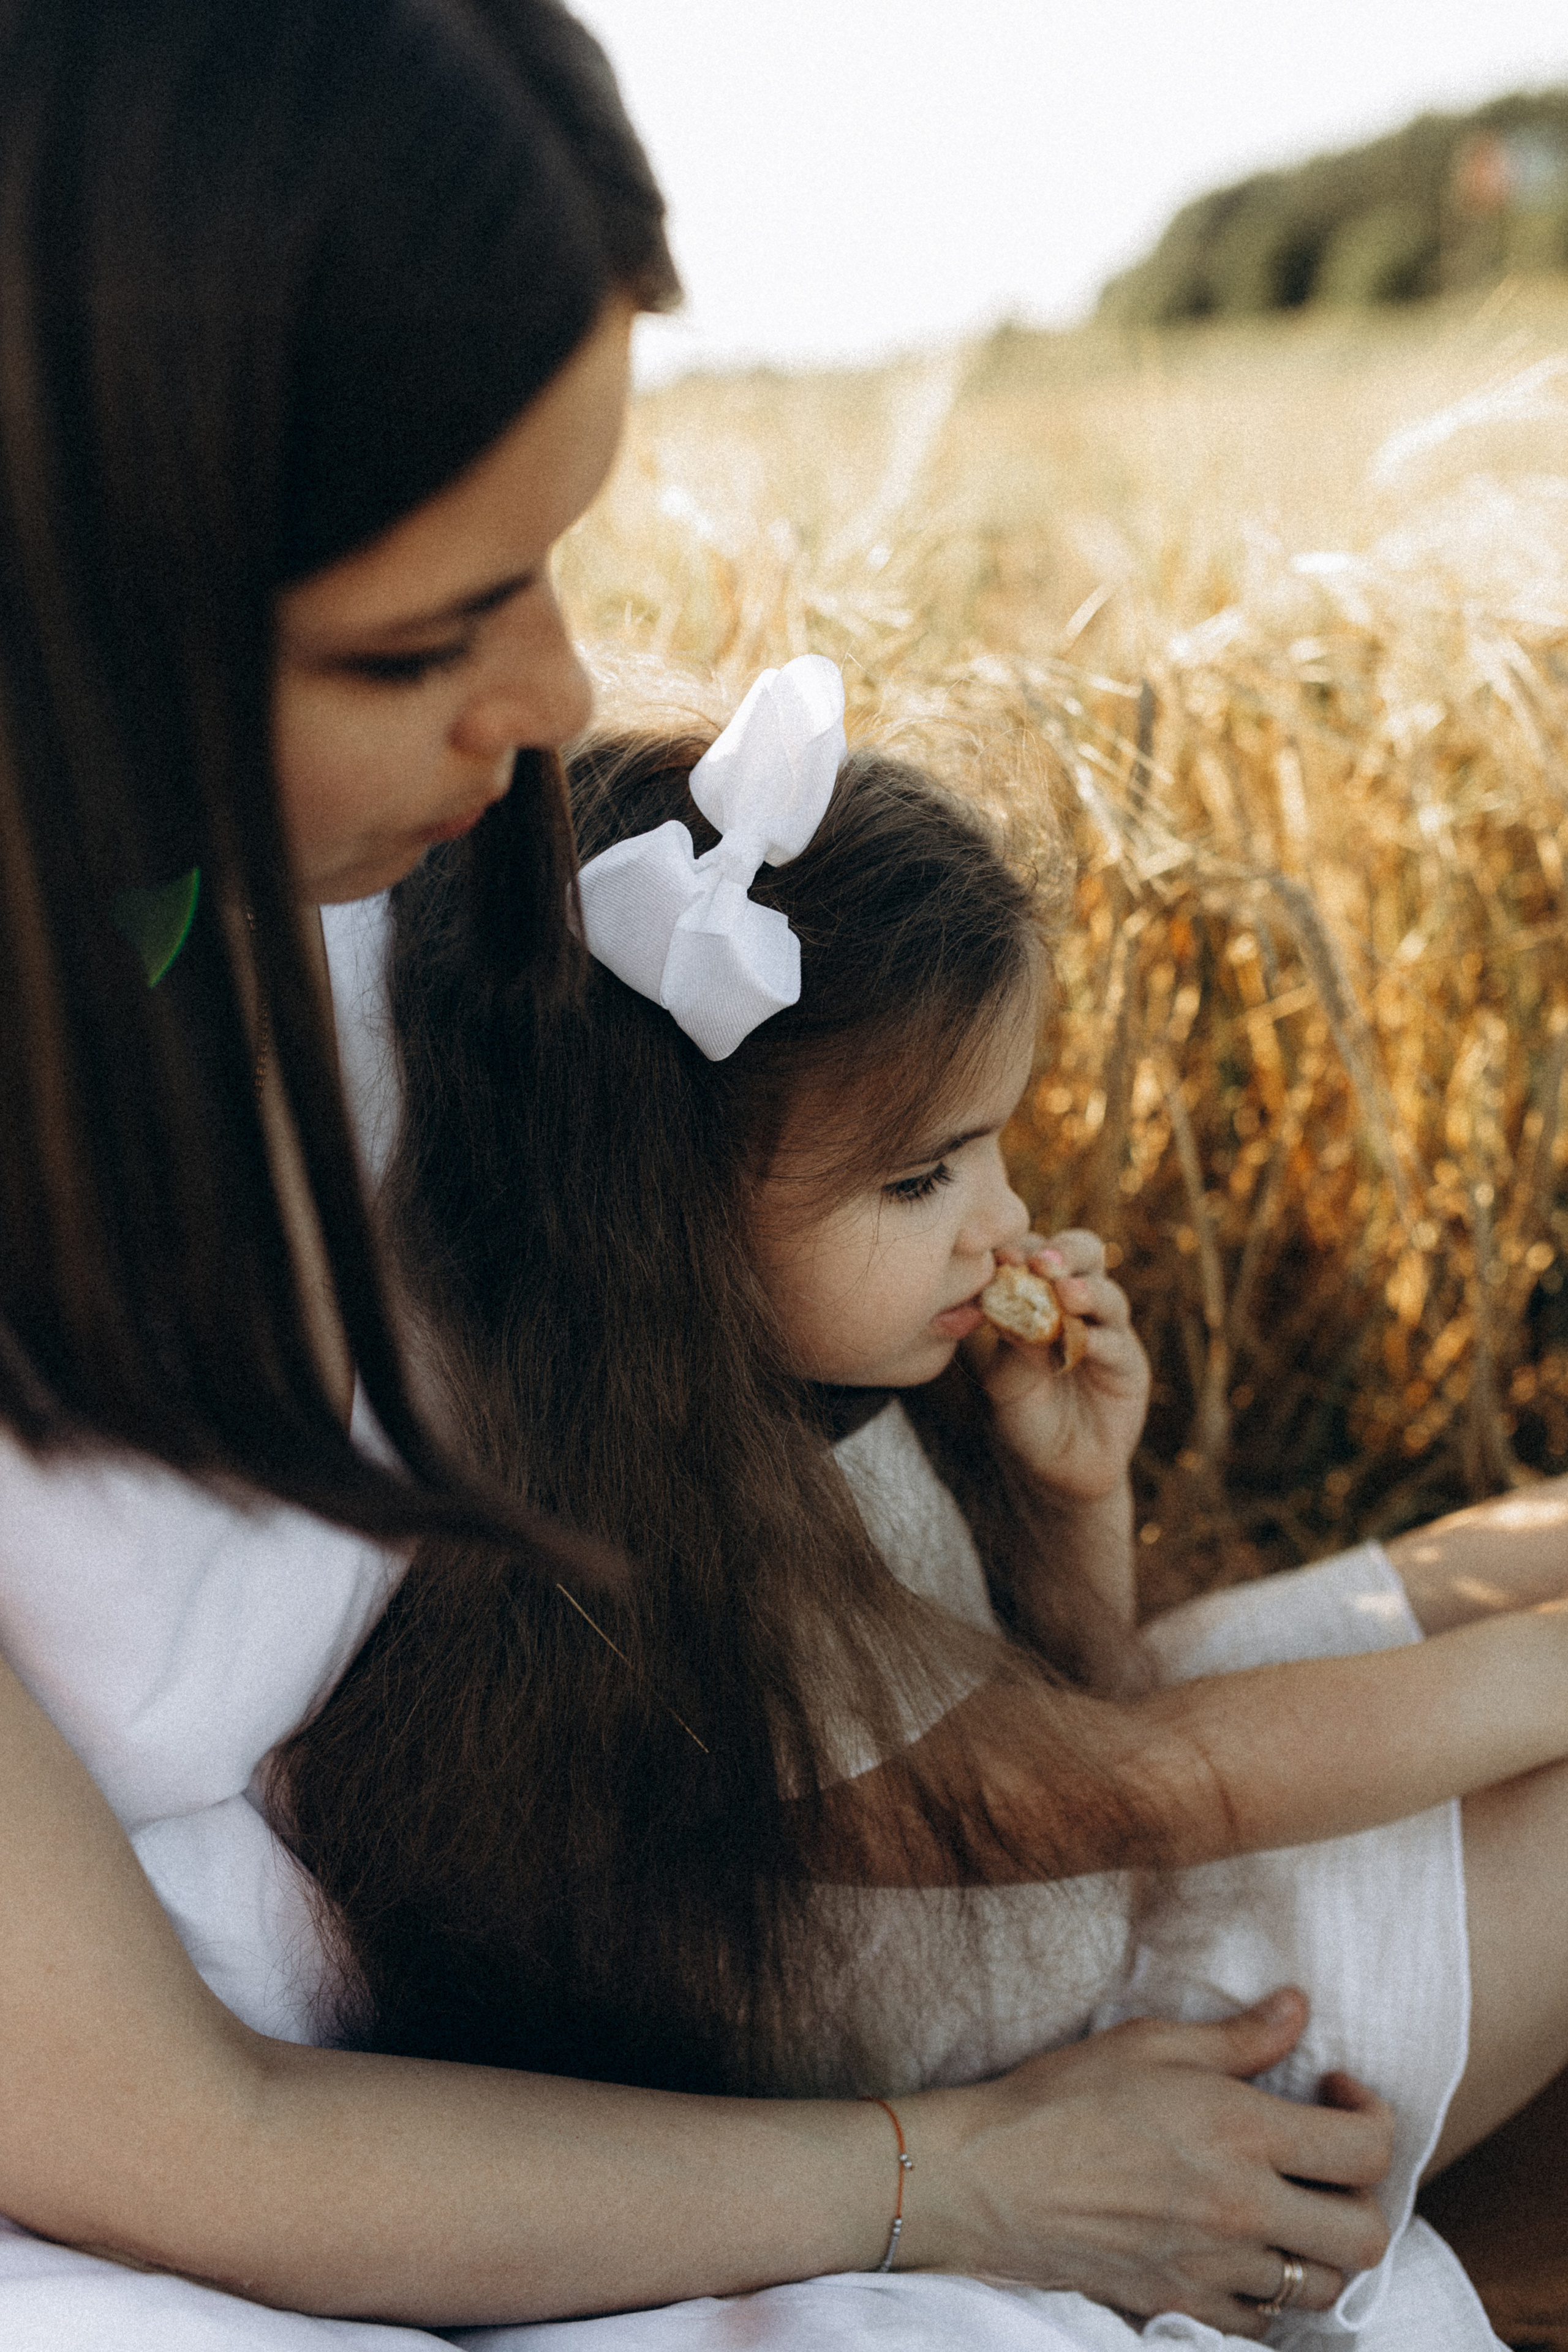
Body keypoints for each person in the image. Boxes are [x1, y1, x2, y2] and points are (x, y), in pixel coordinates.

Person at [0, 6, 1417, 2348]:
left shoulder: (355, 888)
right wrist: (947, 2180)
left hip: (593, 1929)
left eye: (557, 560)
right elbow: (193, 2143)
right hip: (295, 2196)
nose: (557, 693)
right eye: (424, 635)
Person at [288, 658, 1568, 2351]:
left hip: (1102, 1870)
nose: (1004, 1223)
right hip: (1106, 2047)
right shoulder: (679, 1628)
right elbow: (1146, 1788)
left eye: (992, 1147)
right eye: (921, 1176)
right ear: (655, 1234)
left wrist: (1070, 1496)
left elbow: (1083, 1693)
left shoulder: (801, 1406)